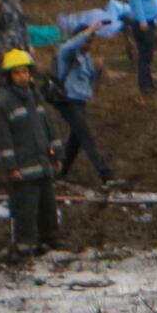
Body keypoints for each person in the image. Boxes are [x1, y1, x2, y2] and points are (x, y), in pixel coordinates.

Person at [0, 51, 59, 256]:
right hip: (23, 166)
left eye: (25, 72)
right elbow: (3, 139)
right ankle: (24, 244)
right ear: (9, 76)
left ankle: (49, 240)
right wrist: (11, 167)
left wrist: (56, 154)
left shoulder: (35, 96)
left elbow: (49, 127)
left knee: (47, 206)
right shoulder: (3, 103)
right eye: (17, 73)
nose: (22, 77)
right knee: (25, 208)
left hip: (42, 162)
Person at [46, 13, 117, 187]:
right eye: (86, 41)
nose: (88, 45)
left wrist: (98, 72)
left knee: (76, 140)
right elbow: (72, 44)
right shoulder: (67, 52)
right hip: (67, 100)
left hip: (80, 101)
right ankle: (106, 175)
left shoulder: (86, 59)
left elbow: (89, 82)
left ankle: (60, 173)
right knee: (85, 136)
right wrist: (90, 29)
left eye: (91, 42)